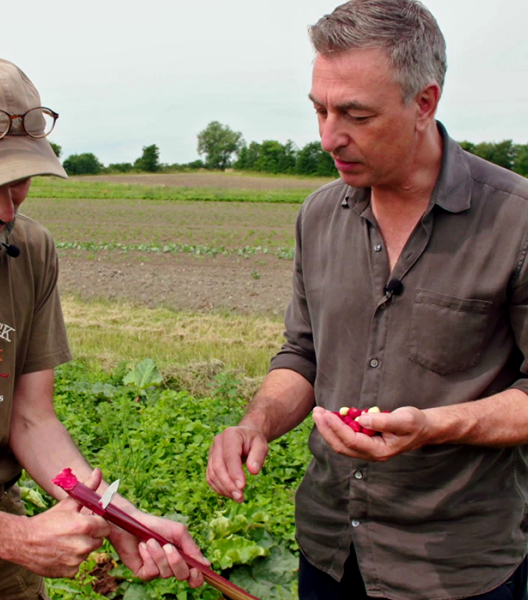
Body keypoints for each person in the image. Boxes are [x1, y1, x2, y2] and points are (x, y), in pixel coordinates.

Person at [206, 1, 528, 599]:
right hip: (329, 548)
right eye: (320, 109)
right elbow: (302, 356)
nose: (330, 136)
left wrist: (434, 426)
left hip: (454, 568)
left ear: (424, 103)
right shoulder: (318, 215)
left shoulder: (516, 221)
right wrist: (256, 423)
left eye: (355, 114)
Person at [0, 51, 207, 600]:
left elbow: (30, 419)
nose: (5, 211)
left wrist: (123, 517)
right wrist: (15, 536)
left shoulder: (29, 249)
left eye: (20, 183)